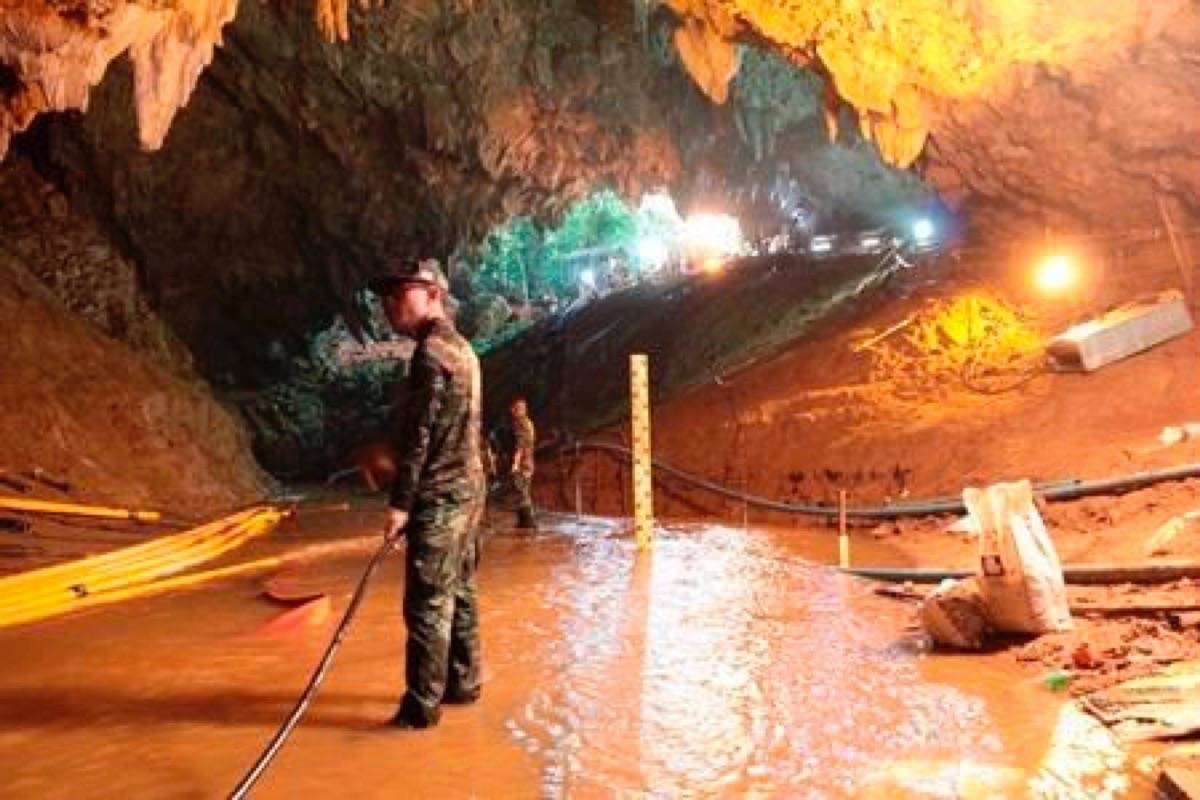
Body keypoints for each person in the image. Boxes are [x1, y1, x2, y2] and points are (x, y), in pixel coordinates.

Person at [370, 258, 485, 730]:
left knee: (426, 603)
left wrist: (399, 504)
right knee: (460, 590)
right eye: (387, 297)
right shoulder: (464, 349)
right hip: (469, 491)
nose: (390, 304)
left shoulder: (430, 355)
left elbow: (418, 437)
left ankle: (420, 710)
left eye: (401, 294)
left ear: (433, 293)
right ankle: (464, 683)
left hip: (439, 495)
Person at [509, 396, 537, 530]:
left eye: (517, 408)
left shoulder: (521, 423)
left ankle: (529, 523)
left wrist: (515, 463)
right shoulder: (528, 422)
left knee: (522, 492)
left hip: (523, 463)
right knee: (521, 492)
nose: (514, 411)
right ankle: (522, 522)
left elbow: (520, 445)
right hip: (528, 461)